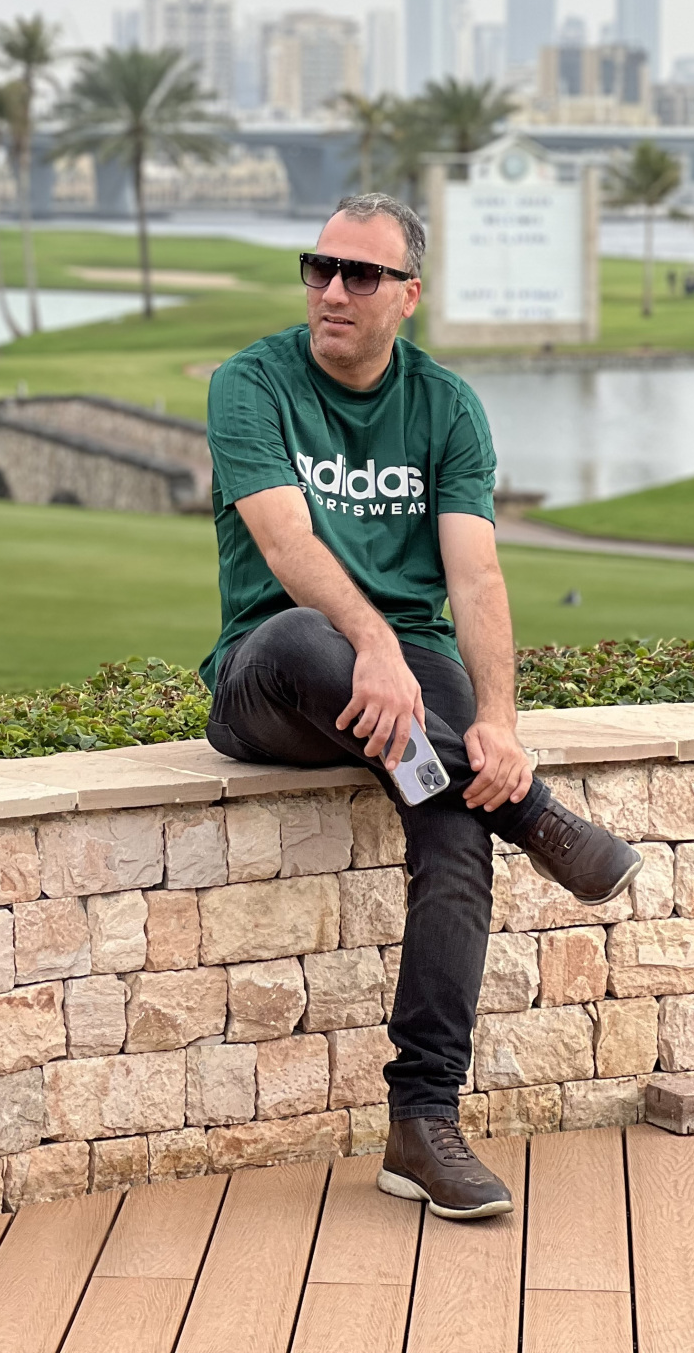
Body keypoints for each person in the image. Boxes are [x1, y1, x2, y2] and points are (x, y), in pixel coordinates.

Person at [201, 192, 641, 1222]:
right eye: (319, 268)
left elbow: (476, 577)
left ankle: (422, 1123)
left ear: (408, 295)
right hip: (275, 675)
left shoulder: (446, 406)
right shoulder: (251, 384)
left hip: (413, 679)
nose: (332, 290)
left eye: (360, 274)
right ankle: (535, 817)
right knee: (309, 636)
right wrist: (374, 643)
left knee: (452, 822)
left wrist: (499, 725)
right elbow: (287, 546)